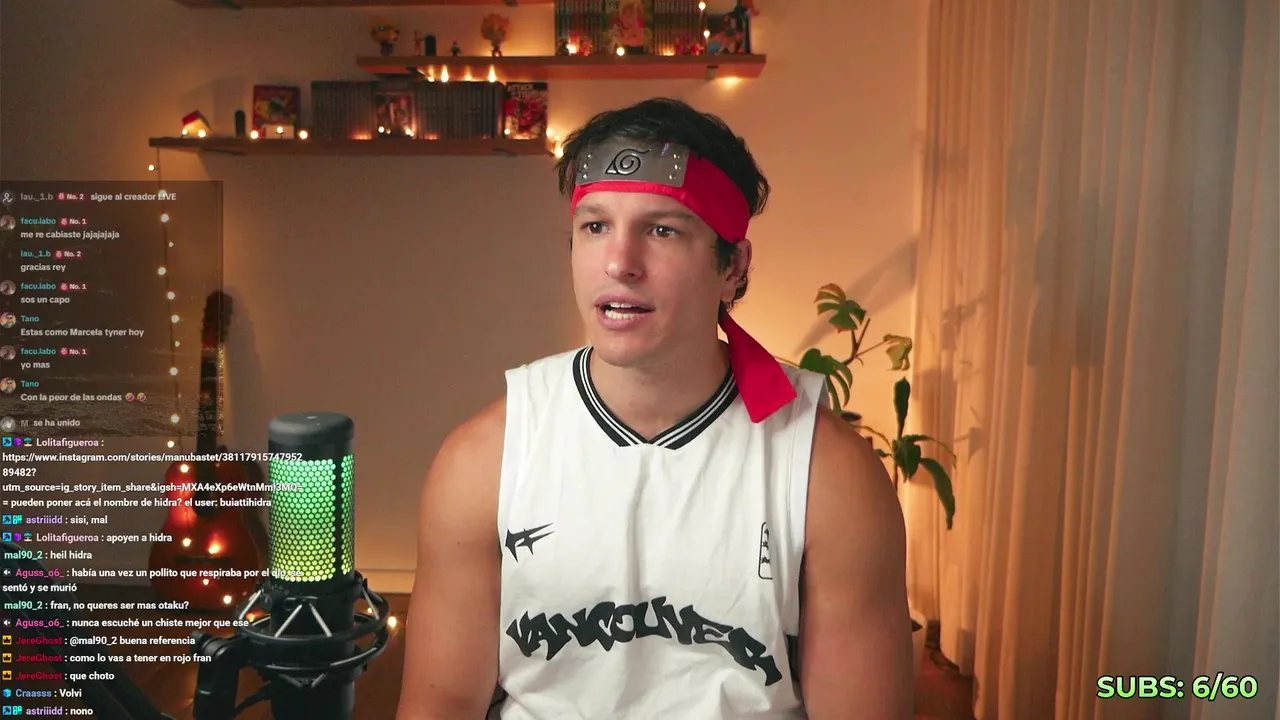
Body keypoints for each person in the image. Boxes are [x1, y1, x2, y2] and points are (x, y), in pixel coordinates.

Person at [396, 98, 913, 720]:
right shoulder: (485, 459)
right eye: (595, 227)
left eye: (662, 230)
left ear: (733, 267)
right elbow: (443, 703)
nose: (619, 263)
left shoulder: (826, 472)